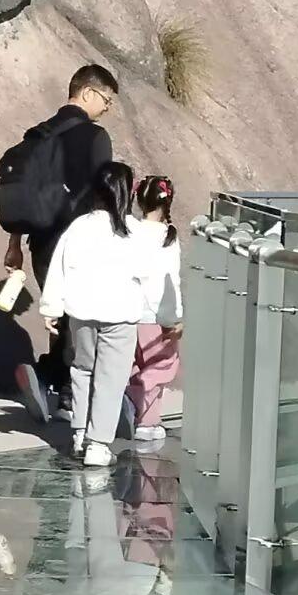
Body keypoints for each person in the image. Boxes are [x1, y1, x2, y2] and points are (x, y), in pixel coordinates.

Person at [0, 62, 120, 421]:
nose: (107, 109)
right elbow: (102, 194)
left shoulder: (39, 134)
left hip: (40, 242)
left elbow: (26, 190)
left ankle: (50, 379)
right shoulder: (95, 138)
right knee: (80, 317)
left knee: (59, 314)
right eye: (107, 100)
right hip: (79, 241)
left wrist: (14, 243)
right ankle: (62, 390)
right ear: (88, 92)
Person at [38, 161, 164, 465]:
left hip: (81, 313)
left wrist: (51, 308)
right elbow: (150, 276)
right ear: (128, 192)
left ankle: (79, 433)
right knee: (110, 378)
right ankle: (98, 444)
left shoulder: (79, 227)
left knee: (82, 370)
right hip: (121, 315)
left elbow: (60, 268)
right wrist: (156, 312)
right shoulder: (135, 231)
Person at [125, 174, 183, 439]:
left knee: (135, 363)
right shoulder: (168, 237)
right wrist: (174, 318)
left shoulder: (129, 229)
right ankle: (145, 422)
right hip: (156, 316)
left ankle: (137, 414)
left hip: (127, 312)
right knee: (162, 365)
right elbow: (171, 281)